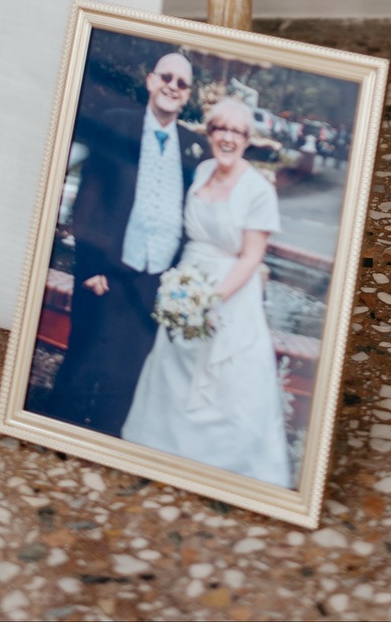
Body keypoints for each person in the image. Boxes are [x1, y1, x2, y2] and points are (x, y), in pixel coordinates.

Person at [122, 96, 291, 487]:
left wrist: (209, 300)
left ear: (248, 139)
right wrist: (183, 294)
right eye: (221, 129)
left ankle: (220, 475)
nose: (228, 138)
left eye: (237, 131)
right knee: (170, 374)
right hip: (185, 288)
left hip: (229, 297)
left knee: (225, 385)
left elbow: (251, 258)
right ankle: (157, 457)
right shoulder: (200, 173)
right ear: (210, 133)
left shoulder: (258, 190)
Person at [49, 52, 204, 438]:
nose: (172, 86)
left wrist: (179, 281)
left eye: (181, 83)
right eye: (166, 77)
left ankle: (108, 444)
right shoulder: (117, 124)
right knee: (83, 361)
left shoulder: (192, 147)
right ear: (151, 81)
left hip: (155, 282)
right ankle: (55, 438)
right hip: (108, 271)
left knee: (130, 372)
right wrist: (90, 267)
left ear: (187, 96)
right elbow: (88, 200)